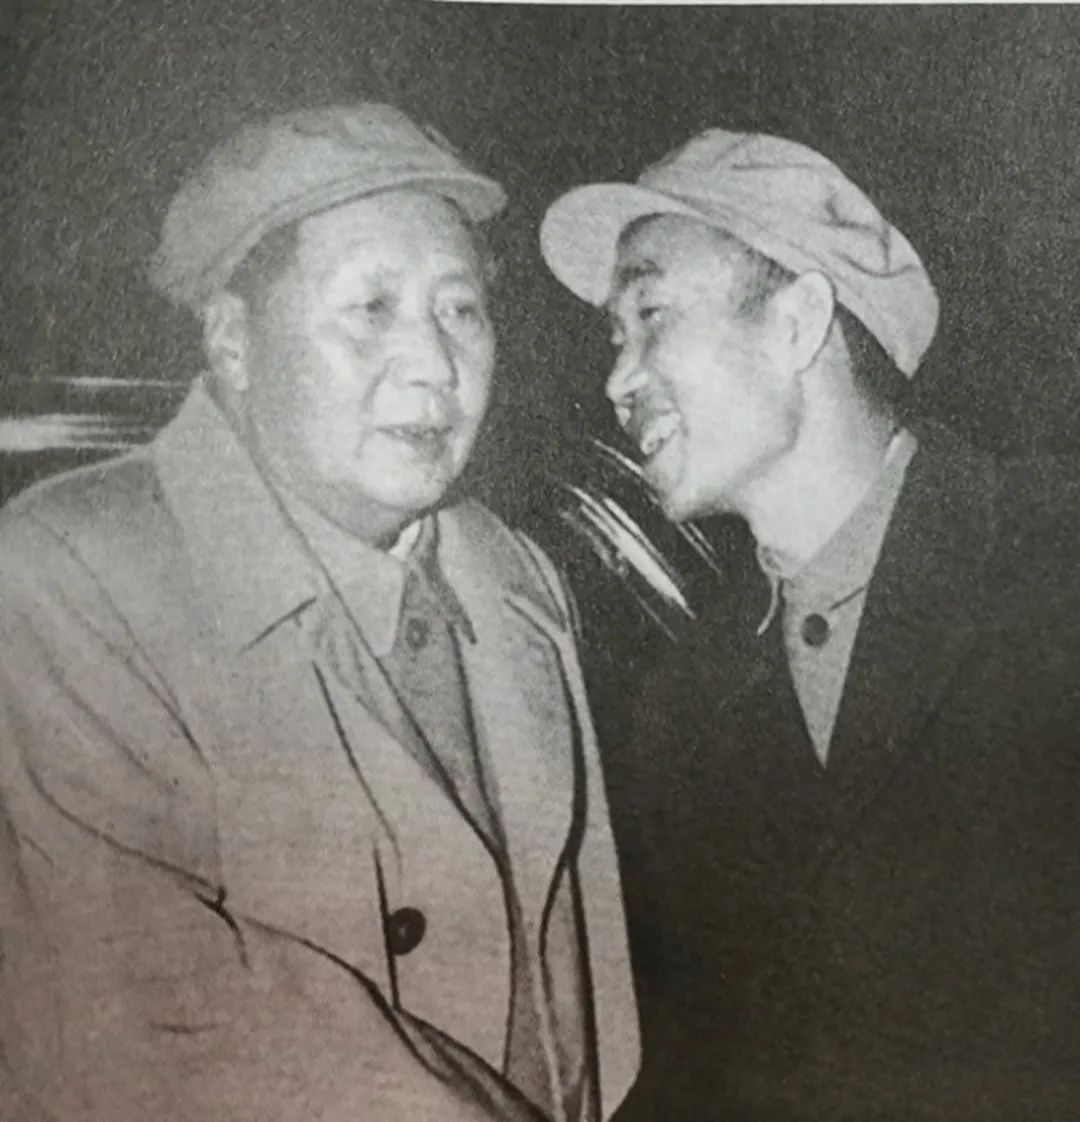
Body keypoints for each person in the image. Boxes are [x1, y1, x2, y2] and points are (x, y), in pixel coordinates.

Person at [0, 103, 639, 1122]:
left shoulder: (513, 578)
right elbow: (152, 1010)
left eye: (461, 309)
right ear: (234, 343)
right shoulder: (72, 572)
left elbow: (580, 1004)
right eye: (371, 307)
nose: (435, 363)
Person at [540, 128, 1080, 1120]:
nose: (618, 381)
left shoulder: (1054, 562)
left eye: (651, 316)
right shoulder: (681, 707)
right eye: (615, 338)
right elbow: (704, 1067)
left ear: (797, 324)